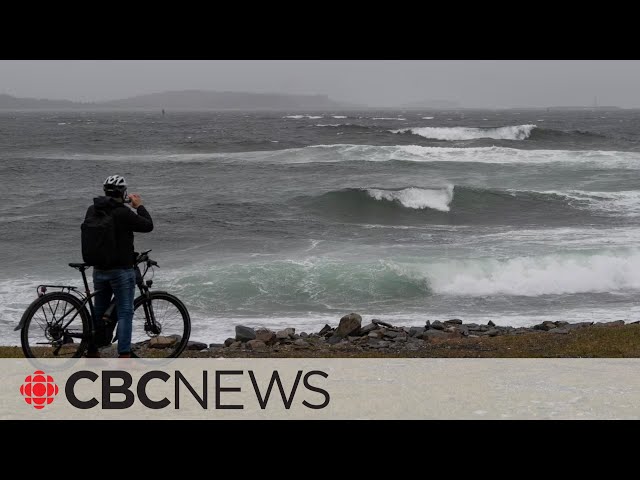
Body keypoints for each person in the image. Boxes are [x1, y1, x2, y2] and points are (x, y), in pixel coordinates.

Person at [84, 175, 153, 358]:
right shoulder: (122, 212)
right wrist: (138, 206)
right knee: (124, 312)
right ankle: (124, 355)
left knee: (99, 312)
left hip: (98, 269)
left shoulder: (93, 209)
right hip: (121, 270)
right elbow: (148, 225)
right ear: (123, 193)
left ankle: (93, 351)